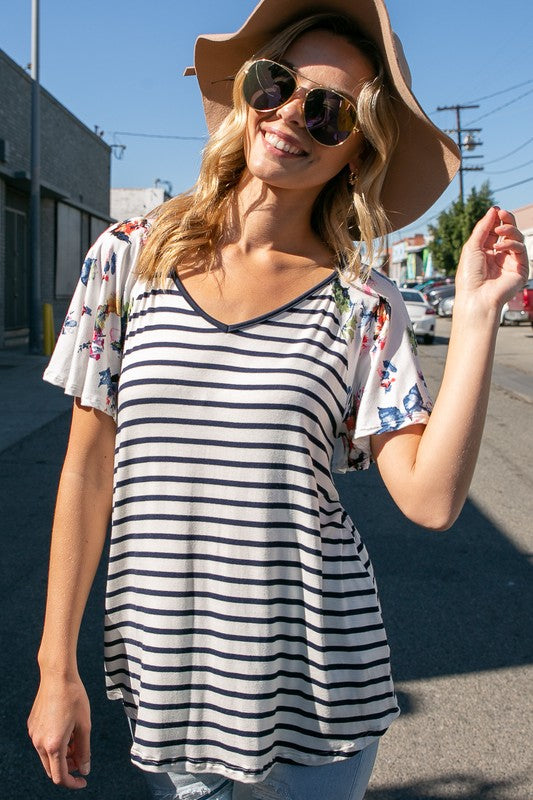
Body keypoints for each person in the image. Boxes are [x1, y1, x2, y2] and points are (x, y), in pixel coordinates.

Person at [27, 1, 527, 798]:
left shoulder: (361, 306)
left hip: (319, 694)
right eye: (278, 84)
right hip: (174, 686)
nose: (292, 114)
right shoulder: (128, 259)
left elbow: (429, 500)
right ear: (249, 95)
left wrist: (473, 315)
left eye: (328, 113)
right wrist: (56, 666)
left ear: (356, 155)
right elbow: (87, 474)